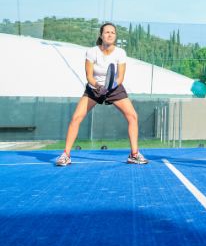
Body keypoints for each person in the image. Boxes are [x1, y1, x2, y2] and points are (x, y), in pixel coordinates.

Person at [56, 22, 148, 166]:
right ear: (101, 35)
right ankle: (65, 155)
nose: (110, 34)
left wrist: (110, 86)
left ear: (115, 36)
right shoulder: (92, 52)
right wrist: (99, 87)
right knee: (76, 117)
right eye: (107, 32)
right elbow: (89, 76)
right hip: (94, 88)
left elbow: (120, 77)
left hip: (114, 88)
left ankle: (134, 155)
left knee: (132, 116)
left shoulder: (120, 53)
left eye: (113, 32)